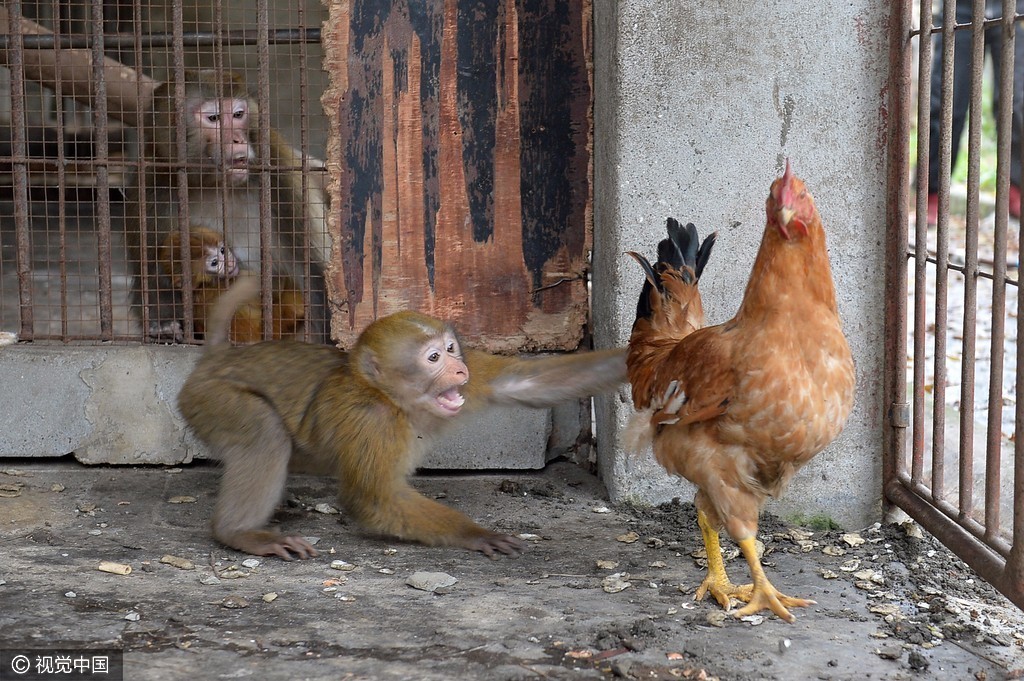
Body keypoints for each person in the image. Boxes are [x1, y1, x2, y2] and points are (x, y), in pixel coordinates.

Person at [926, 0, 1024, 224]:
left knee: (1017, 101)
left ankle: (1015, 189)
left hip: (1013, 5)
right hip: (960, 7)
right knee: (946, 101)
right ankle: (933, 193)